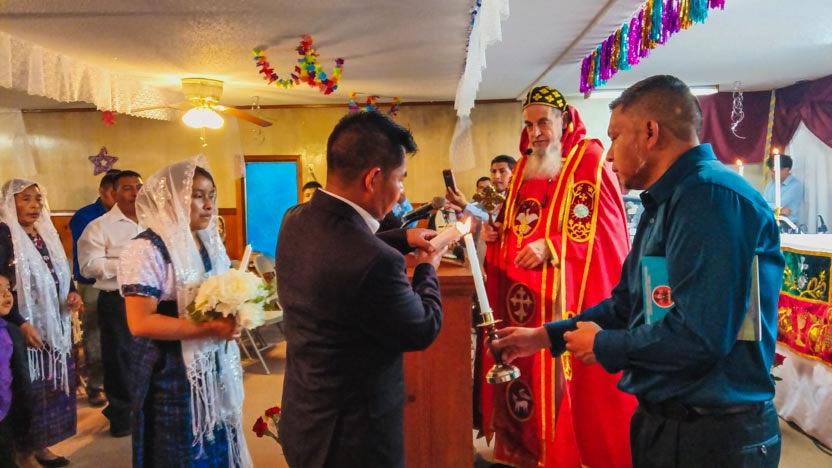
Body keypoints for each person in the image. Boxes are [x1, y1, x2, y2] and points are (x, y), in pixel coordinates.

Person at [492, 75, 784, 467]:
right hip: (667, 421)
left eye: (615, 137)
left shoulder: (711, 198)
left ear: (650, 132)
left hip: (713, 433)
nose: (610, 155)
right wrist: (546, 336)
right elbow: (628, 304)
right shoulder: (667, 200)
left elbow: (702, 335)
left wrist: (604, 346)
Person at [276, 111, 446, 468]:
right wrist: (428, 268)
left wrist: (402, 237)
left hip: (304, 416)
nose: (400, 192)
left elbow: (340, 249)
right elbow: (422, 327)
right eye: (399, 179)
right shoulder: (376, 262)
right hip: (354, 438)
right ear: (373, 178)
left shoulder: (295, 219)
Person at [479, 86, 635, 467]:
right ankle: (530, 450)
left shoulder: (588, 161)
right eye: (529, 125)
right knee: (524, 377)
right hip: (524, 300)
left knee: (562, 388)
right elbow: (513, 223)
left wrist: (552, 246)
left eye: (543, 123)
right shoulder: (523, 167)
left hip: (565, 299)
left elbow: (602, 236)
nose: (535, 133)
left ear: (564, 120)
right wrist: (495, 233)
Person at [118, 157, 252, 467]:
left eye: (212, 195)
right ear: (170, 200)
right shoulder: (146, 248)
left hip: (212, 362)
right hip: (168, 367)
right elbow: (140, 322)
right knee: (179, 445)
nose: (208, 205)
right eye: (197, 195)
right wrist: (209, 329)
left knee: (217, 433)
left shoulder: (207, 241)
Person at [0, 179, 82, 468]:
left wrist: (72, 292)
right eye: (25, 199)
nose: (34, 205)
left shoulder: (45, 232)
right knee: (25, 390)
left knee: (49, 388)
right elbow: (1, 287)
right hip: (17, 325)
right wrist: (20, 323)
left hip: (52, 325)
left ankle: (42, 445)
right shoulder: (4, 235)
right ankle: (22, 452)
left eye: (37, 199)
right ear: (9, 203)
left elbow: (60, 270)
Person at [77, 170, 144, 437]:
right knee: (118, 359)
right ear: (113, 193)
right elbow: (89, 266)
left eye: (139, 186)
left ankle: (145, 409)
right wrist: (129, 264)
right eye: (127, 188)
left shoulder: (155, 222)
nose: (135, 193)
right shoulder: (99, 227)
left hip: (153, 299)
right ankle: (121, 415)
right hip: (117, 300)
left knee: (149, 355)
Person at [69, 169, 119, 408]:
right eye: (114, 192)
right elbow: (92, 257)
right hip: (93, 284)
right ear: (102, 191)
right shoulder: (85, 216)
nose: (120, 197)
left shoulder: (134, 215)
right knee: (95, 336)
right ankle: (96, 386)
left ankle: (118, 384)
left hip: (123, 283)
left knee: (123, 335)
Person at [0, 271, 31, 467]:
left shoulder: (10, 331)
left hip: (7, 408)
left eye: (8, 289)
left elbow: (19, 375)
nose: (6, 294)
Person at [763, 154, 804, 225]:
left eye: (774, 171)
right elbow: (762, 204)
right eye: (770, 171)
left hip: (787, 224)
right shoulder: (770, 184)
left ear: (786, 170)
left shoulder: (795, 186)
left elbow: (779, 205)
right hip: (770, 221)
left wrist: (773, 208)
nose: (771, 174)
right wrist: (778, 210)